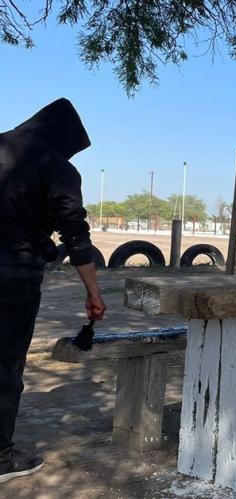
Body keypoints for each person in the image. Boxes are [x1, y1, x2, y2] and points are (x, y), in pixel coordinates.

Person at [0, 98, 106, 483]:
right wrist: (93, 292)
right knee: (5, 364)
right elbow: (75, 233)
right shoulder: (58, 168)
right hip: (14, 278)